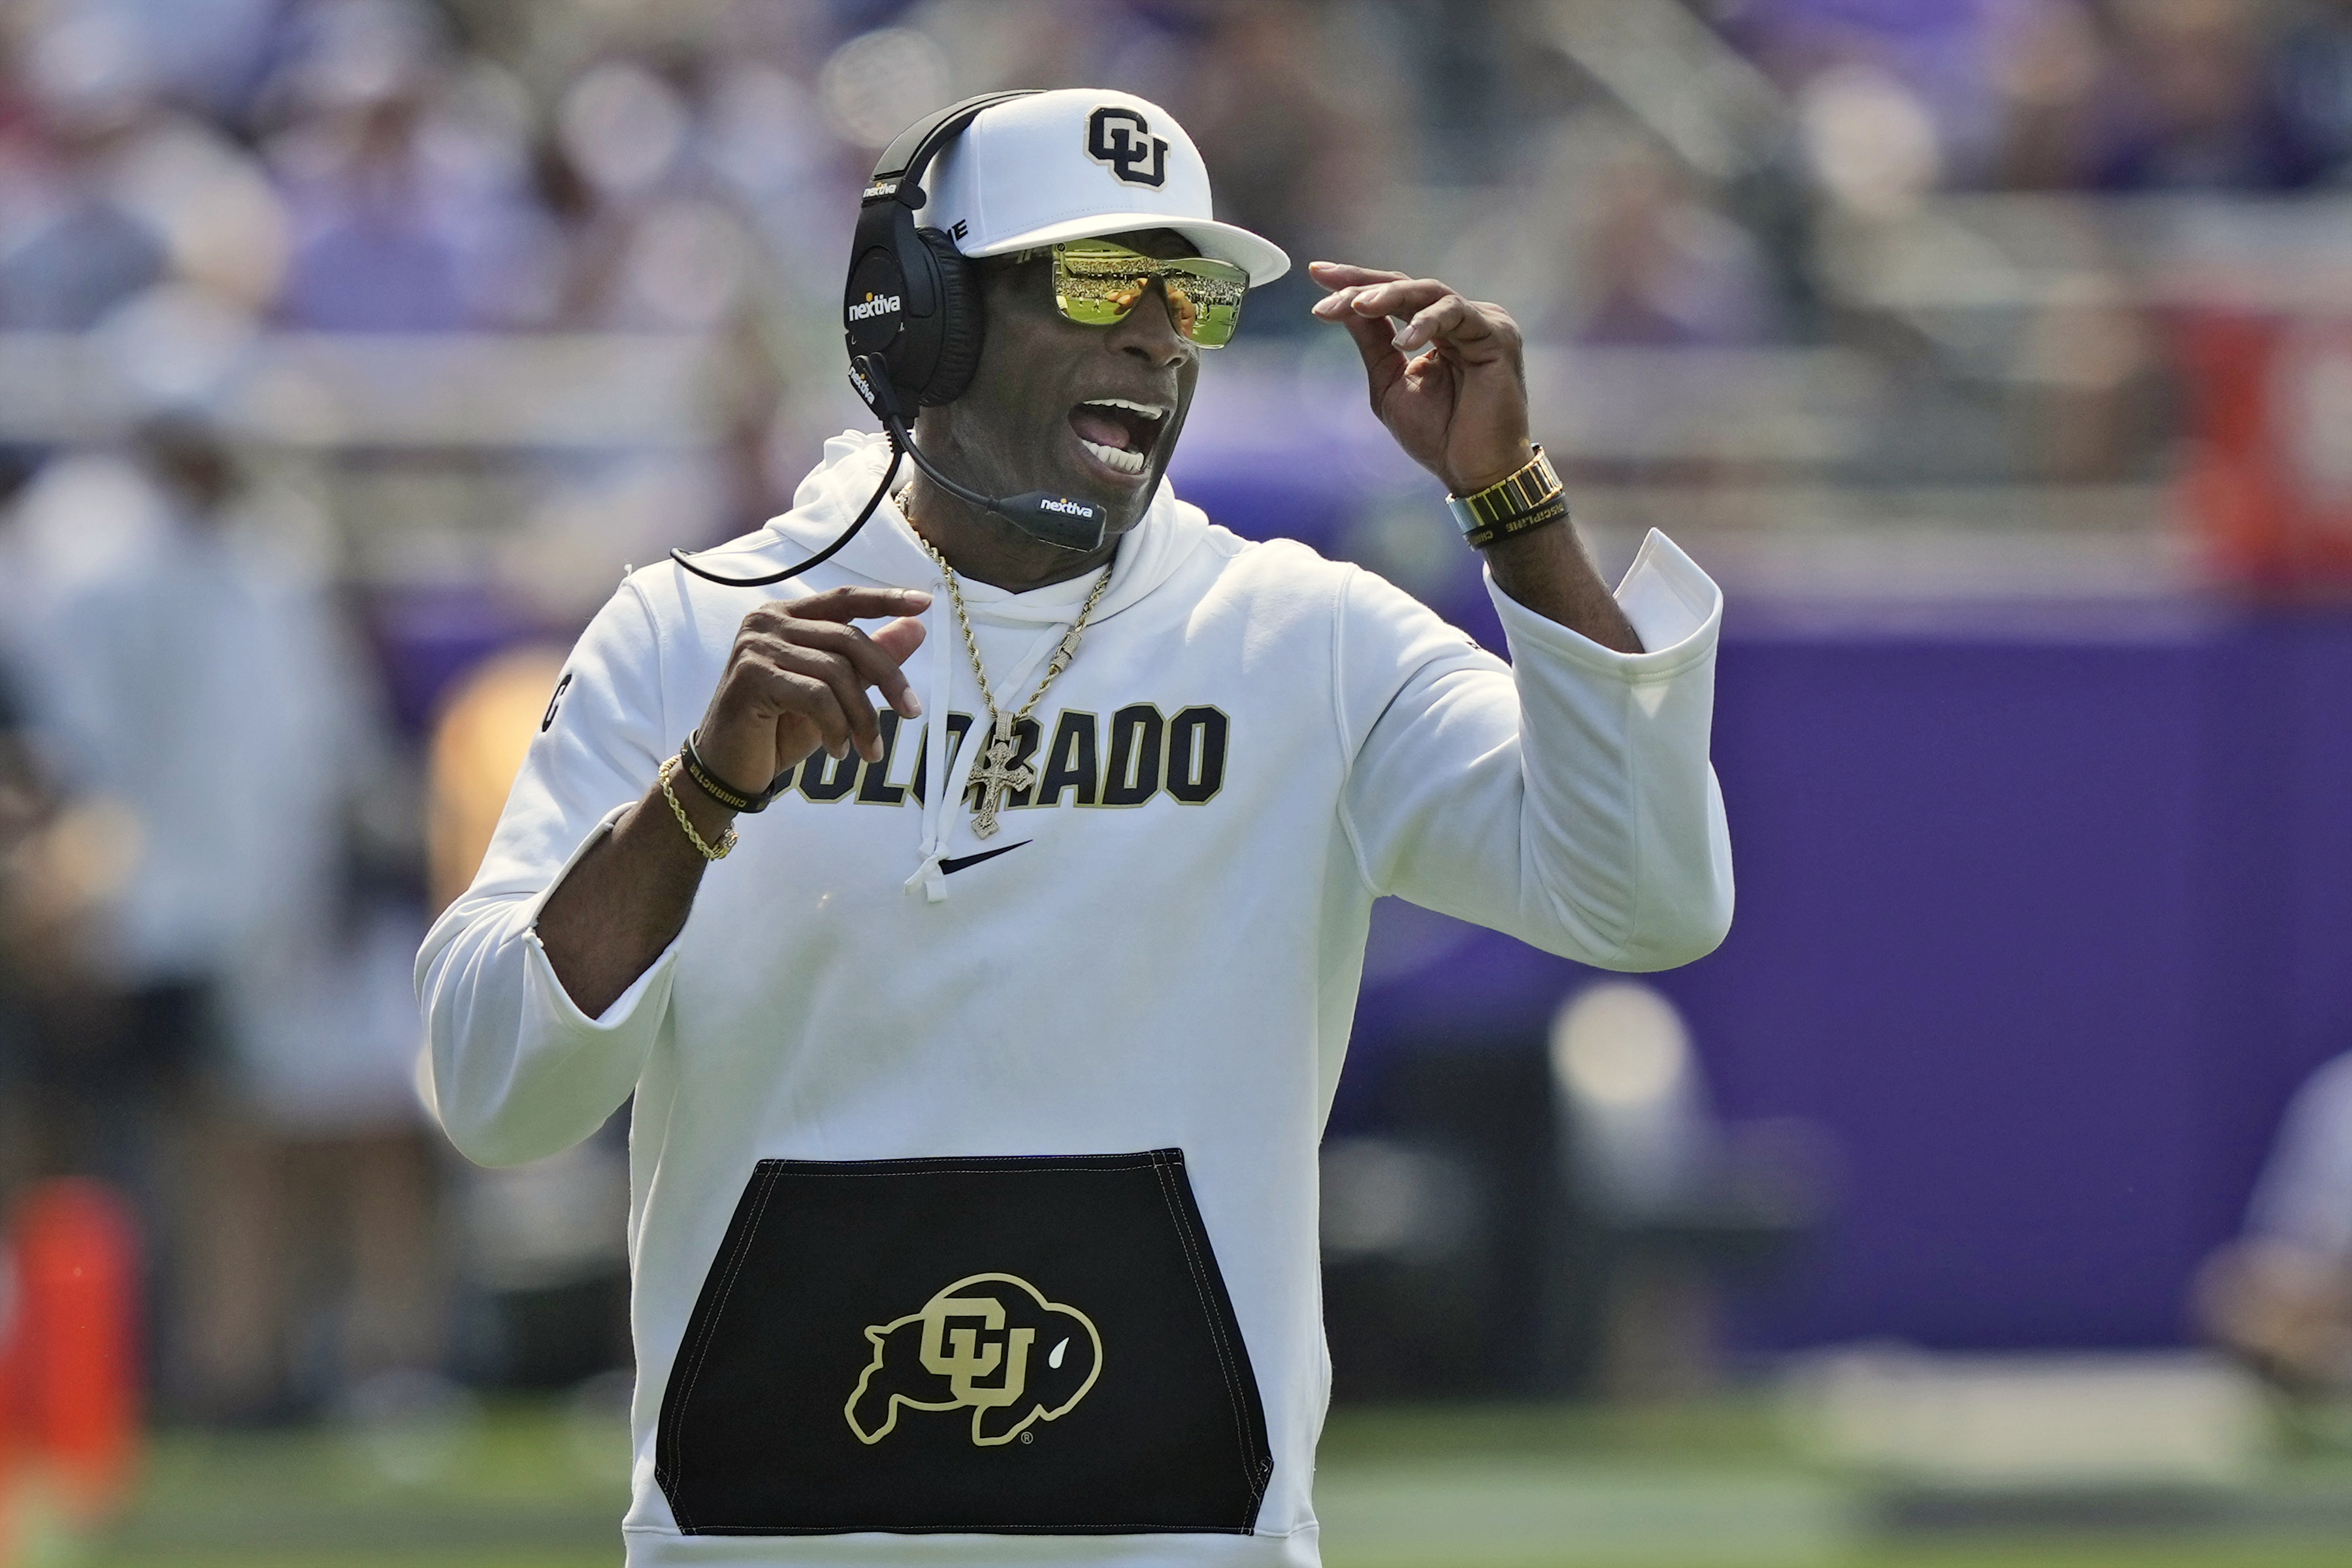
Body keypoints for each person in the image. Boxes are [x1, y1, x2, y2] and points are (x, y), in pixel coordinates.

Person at [419, 88, 1733, 1564]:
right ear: (920, 316)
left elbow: (1645, 895)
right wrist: (697, 795)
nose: (1159, 333)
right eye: (1103, 278)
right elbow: (495, 1091)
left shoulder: (1302, 637)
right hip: (767, 1536)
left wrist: (1511, 498)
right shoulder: (690, 631)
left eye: (1193, 292)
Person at [2196, 1051, 2352, 1394]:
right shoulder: (2339, 1095)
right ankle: (2324, 1377)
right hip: (2340, 1299)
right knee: (2242, 1293)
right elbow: (2294, 1247)